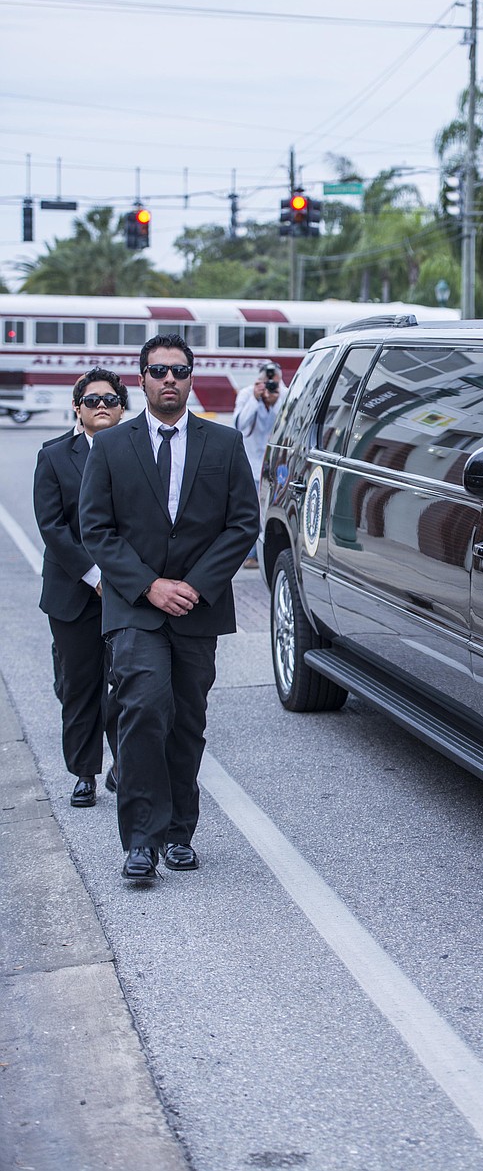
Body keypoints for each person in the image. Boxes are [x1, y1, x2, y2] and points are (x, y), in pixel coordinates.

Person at [79, 334, 258, 884]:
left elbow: (242, 524)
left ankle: (180, 832)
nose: (169, 380)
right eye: (158, 371)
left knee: (185, 721)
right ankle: (140, 841)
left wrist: (196, 586)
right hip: (136, 607)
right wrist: (150, 585)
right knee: (143, 710)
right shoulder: (112, 447)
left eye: (179, 370)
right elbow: (96, 529)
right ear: (142, 380)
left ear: (191, 378)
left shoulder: (224, 445)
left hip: (197, 609)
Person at [33, 368, 127, 807]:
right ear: (78, 408)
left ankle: (125, 764)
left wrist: (123, 578)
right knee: (79, 684)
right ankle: (84, 772)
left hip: (127, 593)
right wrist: (95, 576)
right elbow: (52, 527)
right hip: (73, 592)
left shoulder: (138, 452)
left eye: (110, 400)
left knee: (127, 682)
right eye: (92, 401)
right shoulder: (53, 456)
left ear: (122, 407)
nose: (101, 406)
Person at [233, 362, 284, 568]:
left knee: (273, 510)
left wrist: (275, 401)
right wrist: (256, 399)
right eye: (266, 381)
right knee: (253, 510)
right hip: (252, 464)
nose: (270, 385)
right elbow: (240, 424)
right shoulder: (247, 394)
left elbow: (289, 421)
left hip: (277, 465)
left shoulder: (285, 394)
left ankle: (269, 551)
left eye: (274, 381)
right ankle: (252, 555)